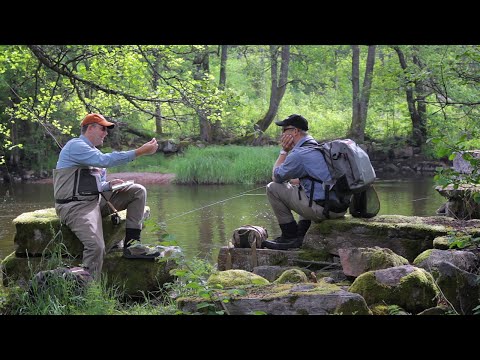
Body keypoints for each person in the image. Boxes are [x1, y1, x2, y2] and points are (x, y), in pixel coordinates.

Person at [53, 113, 160, 279]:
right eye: (103, 128)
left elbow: (96, 185)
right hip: (75, 206)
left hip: (95, 201)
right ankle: (86, 290)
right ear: (90, 128)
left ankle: (133, 246)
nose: (106, 133)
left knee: (137, 190)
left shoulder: (93, 152)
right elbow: (104, 160)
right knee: (96, 247)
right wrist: (139, 152)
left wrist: (109, 186)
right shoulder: (76, 145)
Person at [262, 114, 348, 250]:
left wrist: (284, 151)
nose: (281, 134)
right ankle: (301, 235)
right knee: (299, 186)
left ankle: (289, 237)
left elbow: (276, 176)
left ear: (295, 131)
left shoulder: (299, 154)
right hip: (339, 208)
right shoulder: (319, 148)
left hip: (324, 210)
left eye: (284, 130)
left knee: (273, 188)